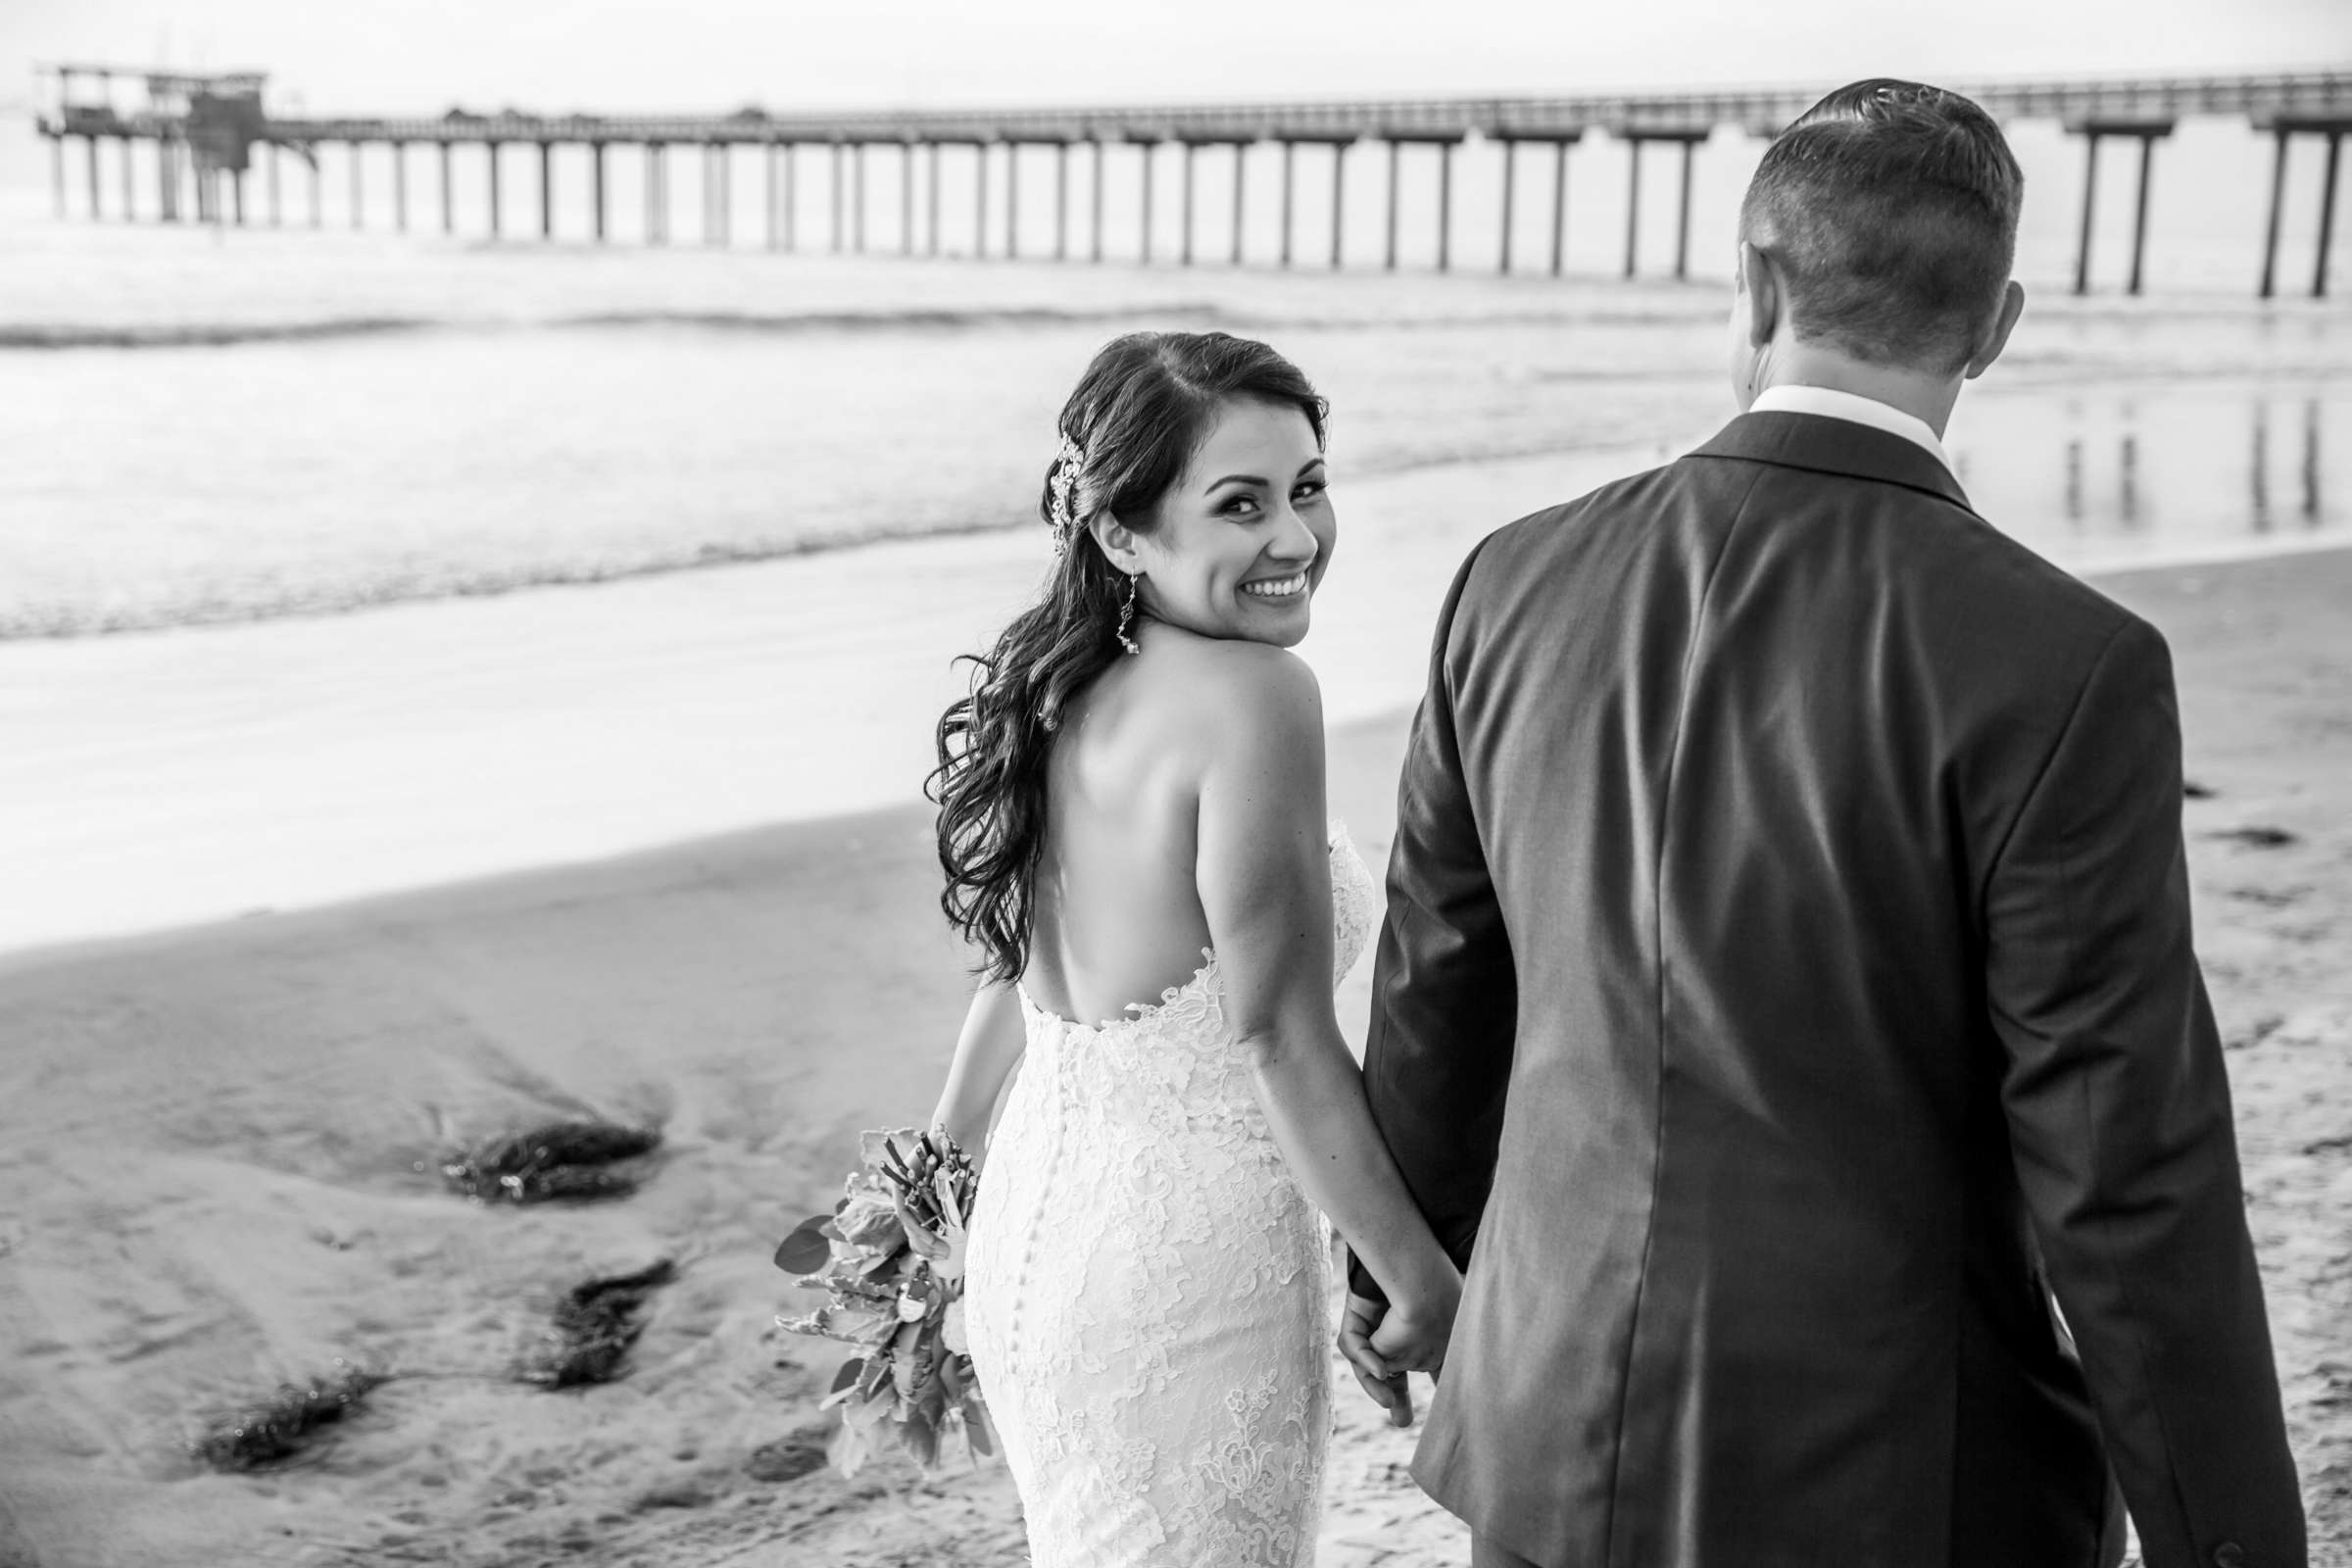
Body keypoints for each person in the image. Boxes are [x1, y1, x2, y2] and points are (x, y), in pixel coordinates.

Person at [1341, 79, 2307, 1568]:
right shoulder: (2065, 664)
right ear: (1997, 325)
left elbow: (1434, 996)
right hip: (1895, 1481)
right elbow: (2124, 1176)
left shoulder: (1509, 584)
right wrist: (2232, 1543)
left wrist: (1386, 1273)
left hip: (1548, 1446)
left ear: (1756, 283)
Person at [924, 330, 1460, 1567]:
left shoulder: (1054, 683)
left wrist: (934, 1168)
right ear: (1119, 531)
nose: (1294, 537)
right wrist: (1415, 1275)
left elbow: (1024, 971)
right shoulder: (1257, 698)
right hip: (1184, 1274)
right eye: (1239, 505)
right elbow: (1274, 1031)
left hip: (1035, 1240)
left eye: (1308, 487)